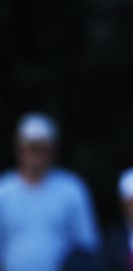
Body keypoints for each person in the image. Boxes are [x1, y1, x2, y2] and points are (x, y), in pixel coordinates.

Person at [0, 111, 101, 271]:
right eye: (32, 148)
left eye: (42, 149)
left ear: (53, 150)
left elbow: (86, 245)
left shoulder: (72, 189)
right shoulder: (3, 191)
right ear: (19, 149)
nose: (36, 156)